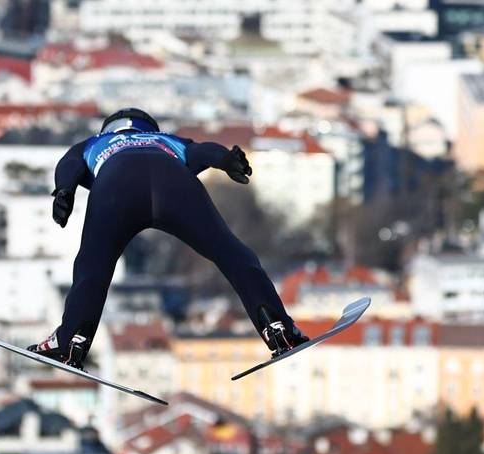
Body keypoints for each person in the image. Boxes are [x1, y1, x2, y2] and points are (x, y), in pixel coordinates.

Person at [28, 107, 308, 369]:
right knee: (234, 255)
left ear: (108, 129)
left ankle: (70, 341)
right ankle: (278, 328)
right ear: (149, 128)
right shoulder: (166, 140)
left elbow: (69, 164)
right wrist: (226, 160)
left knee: (92, 268)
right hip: (174, 184)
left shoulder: (94, 143)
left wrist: (64, 191)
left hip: (116, 187)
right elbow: (202, 151)